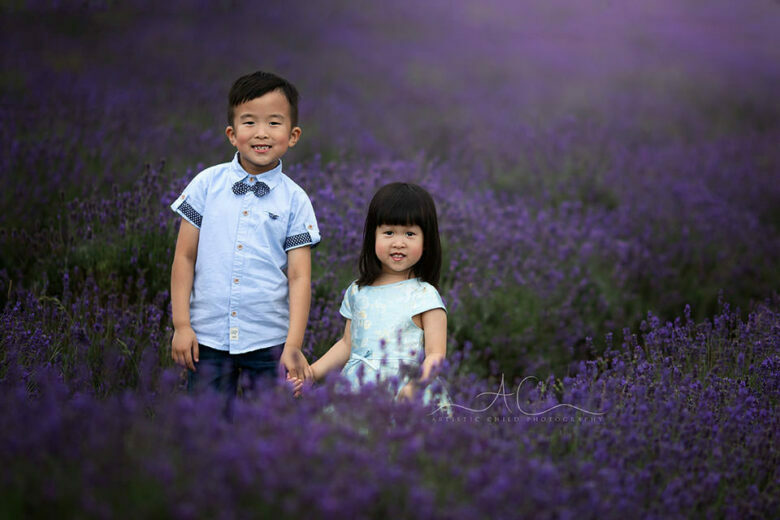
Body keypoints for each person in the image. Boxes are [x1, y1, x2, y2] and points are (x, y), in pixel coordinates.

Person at [169, 71, 319, 400]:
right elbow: (184, 256)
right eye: (249, 122)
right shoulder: (206, 185)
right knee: (205, 425)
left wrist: (293, 345)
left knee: (267, 427)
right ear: (231, 133)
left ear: (293, 135)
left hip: (267, 339)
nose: (261, 133)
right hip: (208, 338)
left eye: (274, 123)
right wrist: (182, 325)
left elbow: (298, 277)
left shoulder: (295, 200)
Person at [301, 182, 450, 406]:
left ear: (426, 242)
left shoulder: (425, 296)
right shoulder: (358, 291)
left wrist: (416, 386)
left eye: (410, 234)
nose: (398, 243)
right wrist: (310, 374)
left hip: (405, 390)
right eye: (388, 233)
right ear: (373, 237)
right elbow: (346, 344)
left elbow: (436, 355)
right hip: (356, 390)